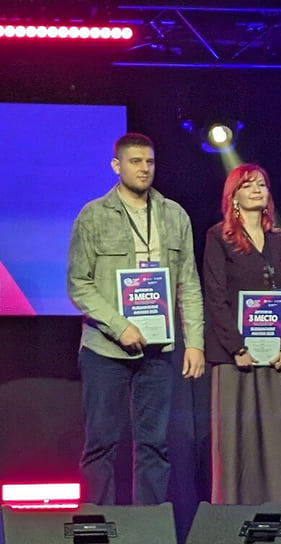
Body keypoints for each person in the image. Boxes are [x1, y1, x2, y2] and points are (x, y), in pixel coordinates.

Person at [67, 132, 205, 505]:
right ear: (117, 166)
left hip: (158, 349)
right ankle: (97, 524)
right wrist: (120, 326)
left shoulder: (174, 214)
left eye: (150, 162)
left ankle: (150, 527)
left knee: (154, 444)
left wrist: (195, 343)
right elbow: (79, 284)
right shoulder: (94, 215)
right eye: (135, 161)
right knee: (101, 443)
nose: (144, 169)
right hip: (105, 349)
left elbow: (189, 284)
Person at [203, 163, 281, 505]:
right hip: (234, 358)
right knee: (235, 442)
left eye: (262, 184)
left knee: (274, 440)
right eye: (248, 185)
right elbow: (216, 296)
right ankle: (232, 516)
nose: (258, 189)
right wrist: (237, 347)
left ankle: (279, 512)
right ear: (233, 197)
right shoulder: (218, 237)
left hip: (274, 356)